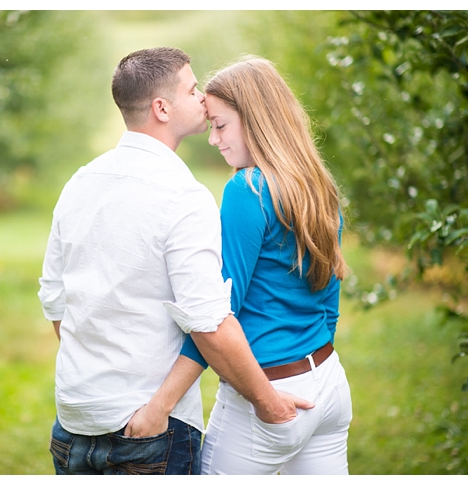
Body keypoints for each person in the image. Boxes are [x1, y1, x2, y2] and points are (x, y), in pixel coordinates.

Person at [38, 47, 312, 475]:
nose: (203, 98)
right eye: (192, 89)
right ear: (161, 108)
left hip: (73, 419)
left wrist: (93, 375)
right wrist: (265, 401)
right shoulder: (183, 197)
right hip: (151, 431)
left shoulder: (79, 181)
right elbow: (208, 322)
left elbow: (54, 299)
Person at [176, 54, 353, 474]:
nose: (213, 139)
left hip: (269, 393)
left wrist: (164, 399)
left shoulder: (248, 188)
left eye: (219, 125)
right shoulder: (316, 184)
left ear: (256, 119)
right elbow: (330, 302)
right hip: (328, 381)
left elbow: (218, 310)